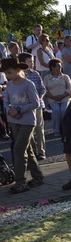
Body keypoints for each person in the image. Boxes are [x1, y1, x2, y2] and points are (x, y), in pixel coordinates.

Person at [1, 57, 44, 194]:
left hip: (27, 122)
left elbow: (35, 103)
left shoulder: (27, 84)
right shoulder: (9, 85)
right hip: (14, 121)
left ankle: (20, 182)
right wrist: (11, 112)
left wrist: (19, 110)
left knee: (19, 150)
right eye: (6, 73)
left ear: (18, 70)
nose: (8, 76)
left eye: (10, 72)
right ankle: (37, 176)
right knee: (29, 149)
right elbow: (6, 102)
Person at [18, 53, 46, 160]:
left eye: (33, 61)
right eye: (30, 61)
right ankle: (32, 151)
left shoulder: (35, 74)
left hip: (37, 105)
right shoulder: (19, 75)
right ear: (22, 63)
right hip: (25, 107)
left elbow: (42, 88)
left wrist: (39, 97)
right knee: (29, 129)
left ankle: (41, 151)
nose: (32, 63)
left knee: (39, 128)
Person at [43, 58, 71, 135]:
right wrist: (53, 97)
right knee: (56, 110)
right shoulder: (46, 78)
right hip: (52, 99)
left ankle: (65, 128)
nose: (60, 68)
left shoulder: (65, 77)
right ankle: (56, 130)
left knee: (63, 110)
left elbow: (70, 88)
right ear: (52, 67)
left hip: (65, 97)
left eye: (60, 66)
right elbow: (44, 90)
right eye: (58, 66)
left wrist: (63, 95)